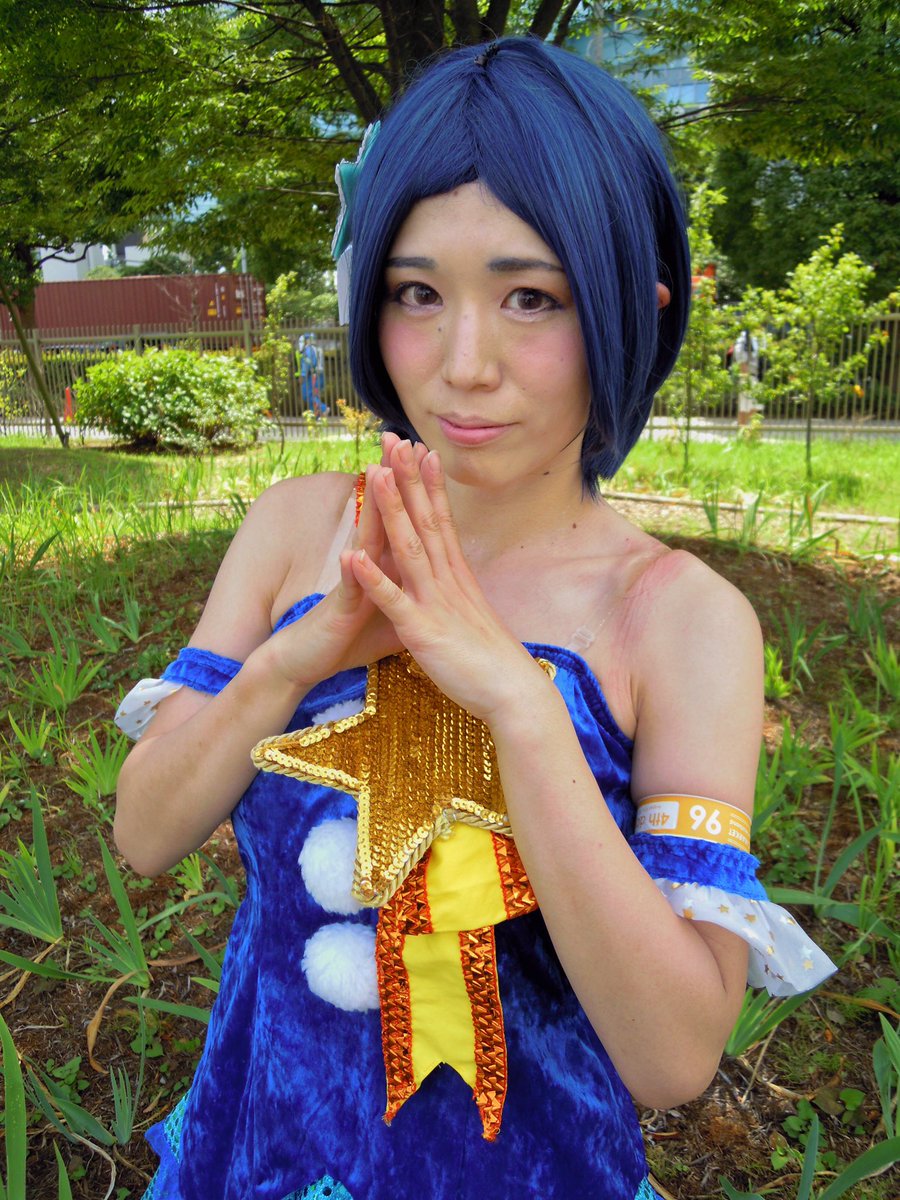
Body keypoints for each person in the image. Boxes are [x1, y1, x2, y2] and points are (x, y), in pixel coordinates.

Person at [114, 37, 835, 1200]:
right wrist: (294, 658)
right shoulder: (298, 530)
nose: (463, 365)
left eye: (530, 297)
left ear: (634, 308)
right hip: (260, 1151)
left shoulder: (679, 621)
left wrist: (518, 704)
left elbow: (672, 1055)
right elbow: (145, 835)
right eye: (417, 292)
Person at [298, 331, 326, 416]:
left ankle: (323, 409)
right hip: (319, 376)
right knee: (314, 396)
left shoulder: (308, 350)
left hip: (312, 376)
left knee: (307, 395)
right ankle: (315, 416)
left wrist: (302, 375)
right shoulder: (316, 348)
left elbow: (307, 363)